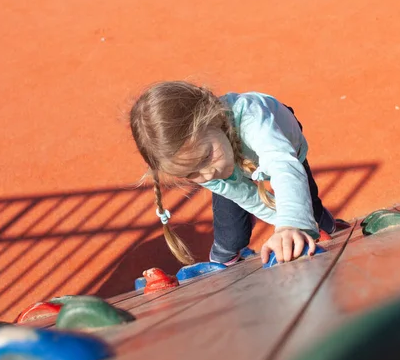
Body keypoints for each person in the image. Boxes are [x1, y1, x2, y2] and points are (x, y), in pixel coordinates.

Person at [129, 81, 337, 266]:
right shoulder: (205, 163)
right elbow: (250, 199)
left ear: (216, 120)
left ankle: (330, 225)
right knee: (232, 235)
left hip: (283, 144)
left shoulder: (251, 119)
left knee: (309, 207)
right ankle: (224, 251)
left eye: (205, 158)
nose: (207, 175)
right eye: (191, 175)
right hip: (235, 161)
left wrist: (291, 224)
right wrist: (284, 229)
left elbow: (283, 166)